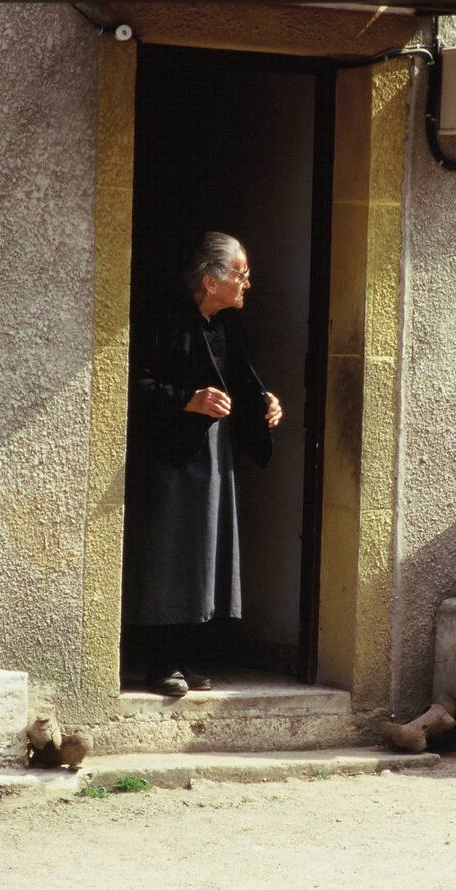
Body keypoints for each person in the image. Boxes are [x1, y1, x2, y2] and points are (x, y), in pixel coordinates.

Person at [121, 232, 283, 696]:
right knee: (170, 553)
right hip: (171, 459)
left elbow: (239, 385)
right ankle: (160, 664)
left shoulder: (226, 326)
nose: (247, 283)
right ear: (211, 281)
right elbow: (133, 385)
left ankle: (189, 658)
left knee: (207, 555)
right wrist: (187, 401)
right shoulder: (166, 319)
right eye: (241, 273)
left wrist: (265, 403)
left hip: (215, 456)